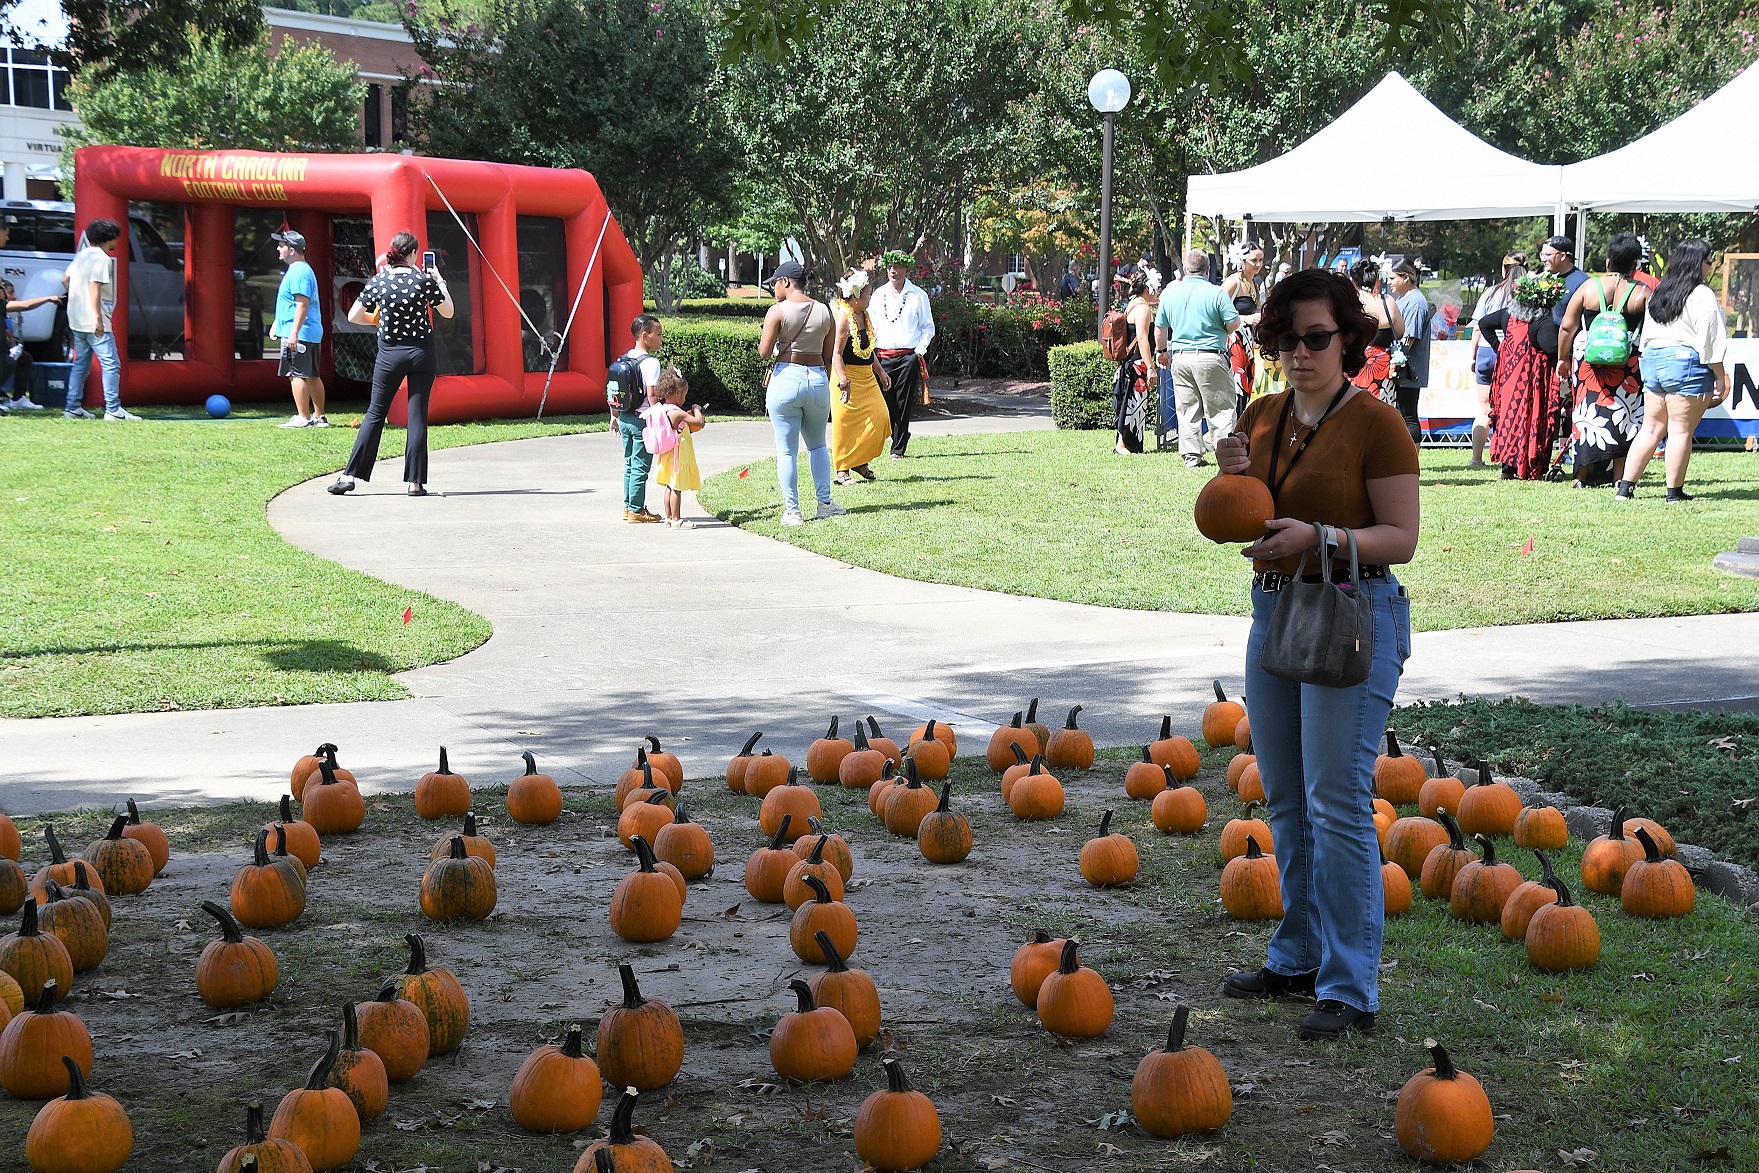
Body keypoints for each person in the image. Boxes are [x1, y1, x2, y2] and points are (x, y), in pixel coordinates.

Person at [1213, 268, 1420, 1041]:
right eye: (1286, 338)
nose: (1300, 353)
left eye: (1317, 337)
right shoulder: (1262, 415)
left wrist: (1322, 538)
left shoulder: (1375, 423)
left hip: (1353, 610)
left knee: (1336, 803)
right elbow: (1242, 522)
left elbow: (1401, 538)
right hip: (1276, 609)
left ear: (1348, 340)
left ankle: (1348, 985)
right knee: (1286, 797)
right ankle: (1295, 955)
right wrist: (1234, 478)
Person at [329, 231, 453, 497]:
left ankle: (349, 476)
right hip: (422, 353)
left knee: (375, 413)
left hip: (390, 355)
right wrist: (439, 281)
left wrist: (377, 321)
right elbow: (448, 311)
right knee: (417, 415)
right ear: (413, 255)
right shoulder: (422, 280)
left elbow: (353, 315)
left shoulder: (379, 280)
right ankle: (415, 483)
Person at [1617, 238, 1730, 502]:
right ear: (1698, 263)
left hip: (1653, 360)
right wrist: (1720, 376)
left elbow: (1648, 332)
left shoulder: (1660, 290)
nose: (1710, 265)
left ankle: (1625, 489)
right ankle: (1674, 492)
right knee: (1680, 430)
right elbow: (1709, 339)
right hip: (1684, 363)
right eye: (1709, 260)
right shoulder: (1701, 294)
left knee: (1651, 428)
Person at [1555, 232, 1649, 488]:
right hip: (1627, 363)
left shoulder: (1588, 288)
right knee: (1625, 416)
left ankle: (1580, 476)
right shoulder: (1642, 293)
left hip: (1589, 363)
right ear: (1636, 264)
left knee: (1586, 414)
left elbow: (1567, 326)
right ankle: (1619, 477)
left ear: (1608, 262)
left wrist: (1562, 359)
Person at [758, 259, 843, 526]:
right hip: (817, 377)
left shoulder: (777, 312)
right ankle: (825, 502)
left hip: (786, 377)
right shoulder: (824, 310)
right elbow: (828, 354)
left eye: (775, 284)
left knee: (787, 450)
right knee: (817, 445)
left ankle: (793, 511)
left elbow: (763, 352)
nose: (774, 289)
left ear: (785, 282)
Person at [1154, 250, 1241, 468]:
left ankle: (1191, 457)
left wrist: (1162, 351)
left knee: (1187, 410)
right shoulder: (1217, 293)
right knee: (1220, 410)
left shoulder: (1169, 294)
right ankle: (1225, 457)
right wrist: (1220, 329)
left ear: (1185, 269)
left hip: (1181, 357)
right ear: (1208, 269)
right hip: (1211, 356)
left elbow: (1160, 329)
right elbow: (1234, 323)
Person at [1478, 271, 1564, 480]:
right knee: (1533, 417)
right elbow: (1551, 348)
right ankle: (1533, 465)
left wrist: (1501, 348)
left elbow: (1484, 324)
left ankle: (1508, 467)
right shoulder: (1543, 321)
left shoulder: (1507, 314)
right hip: (1533, 380)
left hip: (1508, 379)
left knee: (1509, 418)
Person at [62, 218, 136, 421]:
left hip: (75, 318)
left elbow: (65, 279)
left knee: (81, 364)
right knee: (111, 364)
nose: (117, 241)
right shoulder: (102, 259)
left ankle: (72, 407)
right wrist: (98, 318)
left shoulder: (82, 255)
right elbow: (95, 286)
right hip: (94, 319)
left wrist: (78, 299)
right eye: (115, 238)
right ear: (109, 238)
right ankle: (113, 409)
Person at [829, 267, 892, 484]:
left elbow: (868, 349)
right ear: (855, 296)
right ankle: (842, 470)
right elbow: (836, 354)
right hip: (847, 377)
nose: (870, 297)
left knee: (880, 418)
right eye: (867, 294)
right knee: (846, 423)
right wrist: (844, 381)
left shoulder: (863, 314)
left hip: (867, 377)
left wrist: (881, 371)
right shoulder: (843, 317)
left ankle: (859, 460)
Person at [871, 250, 935, 458]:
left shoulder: (918, 295)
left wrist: (918, 351)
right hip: (882, 356)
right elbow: (870, 325)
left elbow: (928, 327)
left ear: (907, 269)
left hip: (908, 355)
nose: (893, 271)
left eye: (897, 267)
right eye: (890, 267)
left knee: (903, 401)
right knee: (883, 402)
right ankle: (890, 437)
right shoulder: (878, 294)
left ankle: (898, 448)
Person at [1467, 254, 1525, 467]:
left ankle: (1476, 458)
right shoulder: (1526, 293)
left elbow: (1477, 327)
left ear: (1504, 269)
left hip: (1485, 351)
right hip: (1513, 353)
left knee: (1483, 408)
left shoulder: (1490, 293)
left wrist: (1473, 357)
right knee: (1512, 406)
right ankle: (1509, 456)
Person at [270, 230, 327, 429]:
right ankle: (319, 417)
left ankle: (303, 417)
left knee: (296, 374)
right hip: (307, 332)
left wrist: (293, 332)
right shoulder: (301, 270)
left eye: (282, 246)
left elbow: (302, 304)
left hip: (300, 333)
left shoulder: (299, 271)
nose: (279, 249)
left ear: (292, 250)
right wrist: (278, 322)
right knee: (311, 374)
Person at [612, 315, 664, 523]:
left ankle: (628, 506)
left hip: (624, 417)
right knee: (641, 466)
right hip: (642, 421)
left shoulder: (624, 358)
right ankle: (636, 510)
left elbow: (614, 390)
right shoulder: (651, 363)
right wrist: (662, 420)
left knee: (629, 464)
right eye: (658, 334)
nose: (661, 339)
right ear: (645, 335)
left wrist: (614, 416)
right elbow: (652, 396)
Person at [644, 367, 704, 529]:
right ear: (677, 393)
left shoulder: (663, 409)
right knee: (677, 487)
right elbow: (698, 422)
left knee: (669, 487)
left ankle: (668, 517)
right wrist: (697, 409)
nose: (684, 398)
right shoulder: (677, 413)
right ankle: (677, 519)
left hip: (667, 453)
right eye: (684, 395)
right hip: (678, 455)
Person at [1112, 266, 1161, 454]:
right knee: (1132, 404)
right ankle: (1122, 444)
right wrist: (1150, 366)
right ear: (1147, 288)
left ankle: (1128, 443)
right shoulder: (1143, 309)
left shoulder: (1133, 303)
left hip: (1131, 363)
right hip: (1137, 363)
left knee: (1134, 403)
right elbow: (1142, 338)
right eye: (1155, 288)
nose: (1156, 292)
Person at [1347, 259, 1404, 408]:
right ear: (1376, 280)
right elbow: (1399, 332)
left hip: (1355, 363)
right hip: (1383, 366)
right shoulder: (1388, 302)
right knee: (1382, 412)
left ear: (1353, 280)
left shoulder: (1350, 303)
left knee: (1353, 410)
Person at [0, 279, 60, 412]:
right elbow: (24, 305)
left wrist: (11, 341)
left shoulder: (2, 306)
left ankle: (18, 399)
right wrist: (48, 298)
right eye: (8, 292)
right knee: (9, 362)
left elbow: (24, 306)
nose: (14, 296)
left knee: (23, 357)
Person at [1390, 261, 1432, 445]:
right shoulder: (1403, 299)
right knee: (1400, 414)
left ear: (1405, 277)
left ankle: (1411, 462)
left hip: (1408, 369)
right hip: (1401, 368)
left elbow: (1409, 338)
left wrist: (1396, 360)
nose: (1390, 282)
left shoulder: (1416, 302)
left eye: (1393, 278)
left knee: (1408, 415)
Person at [1223, 246, 1267, 411]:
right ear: (1243, 261)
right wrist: (1246, 319)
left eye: (1260, 260)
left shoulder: (1254, 282)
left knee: (1246, 387)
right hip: (1234, 341)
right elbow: (1216, 310)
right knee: (1237, 387)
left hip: (1248, 342)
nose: (1258, 264)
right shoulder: (1234, 281)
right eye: (1254, 260)